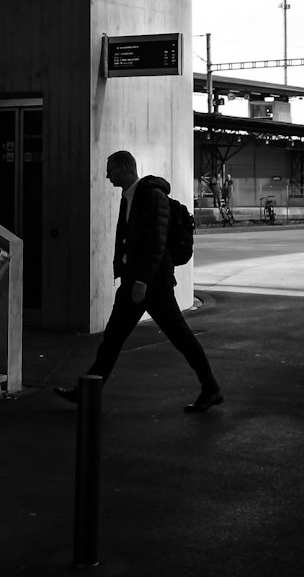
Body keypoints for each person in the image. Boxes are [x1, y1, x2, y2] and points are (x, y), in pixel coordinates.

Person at [55, 149, 223, 413]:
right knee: (112, 339)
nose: (107, 175)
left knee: (180, 337)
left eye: (110, 169)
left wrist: (142, 281)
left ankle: (211, 388)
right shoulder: (130, 197)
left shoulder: (152, 197)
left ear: (123, 169)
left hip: (152, 283)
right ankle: (87, 391)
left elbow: (156, 243)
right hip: (135, 281)